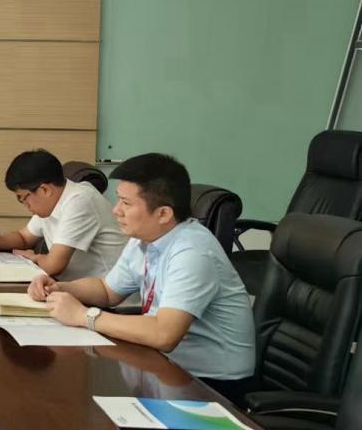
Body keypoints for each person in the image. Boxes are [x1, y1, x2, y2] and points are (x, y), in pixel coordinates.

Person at [28, 153, 256, 401]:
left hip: (211, 384)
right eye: (118, 200)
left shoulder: (193, 252)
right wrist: (61, 288)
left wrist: (84, 316)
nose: (116, 210)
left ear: (163, 214)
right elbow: (107, 290)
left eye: (126, 203)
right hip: (164, 365)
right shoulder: (144, 240)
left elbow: (164, 334)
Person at [0, 149, 125, 280]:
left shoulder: (80, 200)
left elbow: (53, 266)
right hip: (76, 290)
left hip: (108, 300)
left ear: (45, 190)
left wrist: (34, 257)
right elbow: (24, 238)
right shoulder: (53, 201)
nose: (25, 205)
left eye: (23, 198)